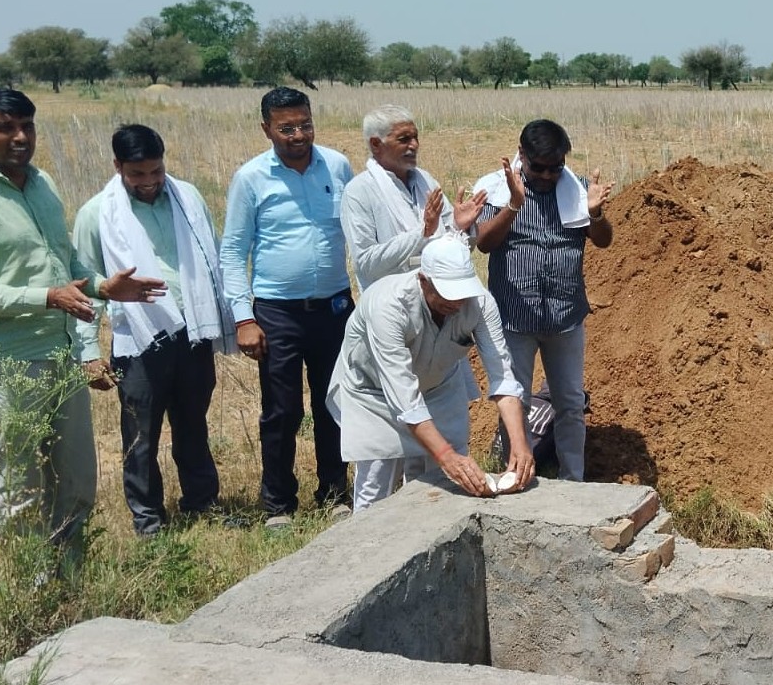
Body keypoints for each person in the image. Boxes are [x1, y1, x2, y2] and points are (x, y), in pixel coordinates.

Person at [0, 89, 166, 570]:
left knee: (78, 479)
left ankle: (70, 579)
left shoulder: (40, 183)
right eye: (6, 127)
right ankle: (28, 589)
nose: (20, 137)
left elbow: (64, 263)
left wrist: (104, 288)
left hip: (62, 353)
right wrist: (44, 297)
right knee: (22, 484)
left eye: (28, 125)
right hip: (9, 360)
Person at [72, 124, 235, 536]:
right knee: (140, 435)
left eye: (155, 172)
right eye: (137, 175)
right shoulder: (97, 213)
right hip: (139, 340)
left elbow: (210, 255)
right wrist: (89, 351)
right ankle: (148, 520)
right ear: (118, 167)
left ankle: (202, 503)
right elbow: (84, 283)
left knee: (193, 425)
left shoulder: (188, 198)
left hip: (191, 331)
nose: (148, 183)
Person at [221, 87, 354, 524]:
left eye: (305, 124)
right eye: (287, 128)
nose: (299, 135)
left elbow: (356, 231)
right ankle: (278, 503)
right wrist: (244, 317)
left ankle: (335, 492)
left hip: (335, 308)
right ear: (267, 129)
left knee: (334, 402)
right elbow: (233, 251)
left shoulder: (335, 166)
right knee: (281, 410)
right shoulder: (251, 178)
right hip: (277, 312)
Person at [326, 236, 535, 511]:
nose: (457, 302)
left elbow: (503, 376)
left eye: (462, 293)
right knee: (377, 481)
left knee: (445, 488)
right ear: (423, 280)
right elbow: (405, 400)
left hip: (439, 387)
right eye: (447, 293)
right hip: (374, 394)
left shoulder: (480, 303)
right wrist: (446, 456)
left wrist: (520, 444)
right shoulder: (388, 306)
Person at [473, 119, 613, 482]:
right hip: (515, 318)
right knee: (514, 403)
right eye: (539, 167)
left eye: (556, 168)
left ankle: (573, 480)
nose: (549, 176)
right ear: (522, 155)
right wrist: (514, 206)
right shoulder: (498, 189)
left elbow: (603, 240)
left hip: (565, 317)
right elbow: (485, 243)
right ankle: (516, 475)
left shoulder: (578, 189)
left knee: (569, 404)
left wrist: (595, 213)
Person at [340, 104, 486, 289]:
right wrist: (421, 233)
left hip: (439, 299)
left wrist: (460, 226)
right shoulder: (359, 191)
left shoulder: (426, 180)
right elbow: (366, 264)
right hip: (390, 303)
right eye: (404, 139)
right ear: (376, 144)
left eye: (415, 137)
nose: (415, 145)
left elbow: (458, 249)